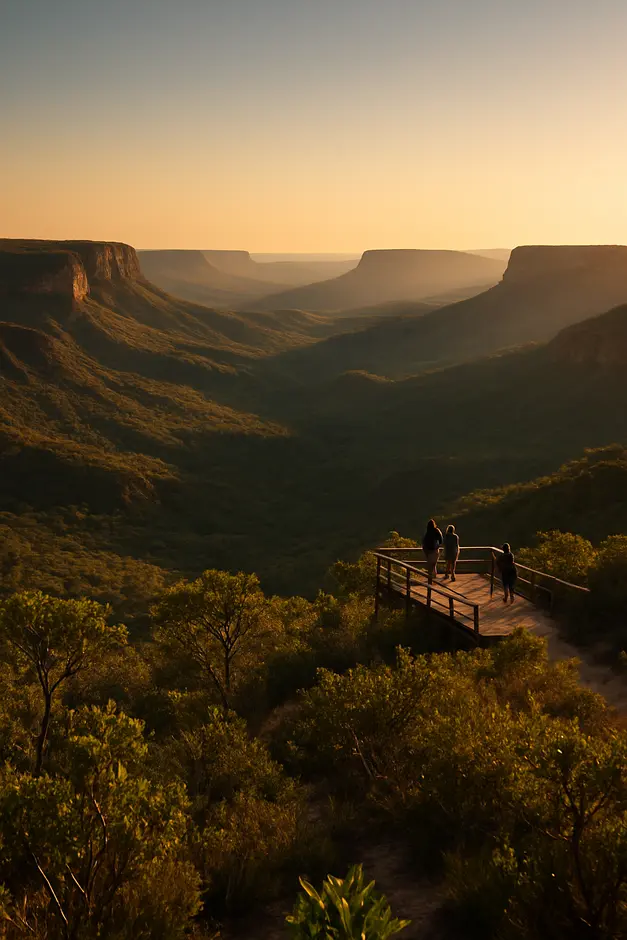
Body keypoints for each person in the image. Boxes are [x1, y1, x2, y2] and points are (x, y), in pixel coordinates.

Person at [422, 519, 443, 583]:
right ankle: (433, 576)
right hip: (435, 549)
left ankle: (430, 577)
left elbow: (424, 542)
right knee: (434, 563)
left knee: (430, 564)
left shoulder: (427, 533)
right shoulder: (436, 530)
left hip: (427, 550)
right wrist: (438, 545)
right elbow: (441, 540)